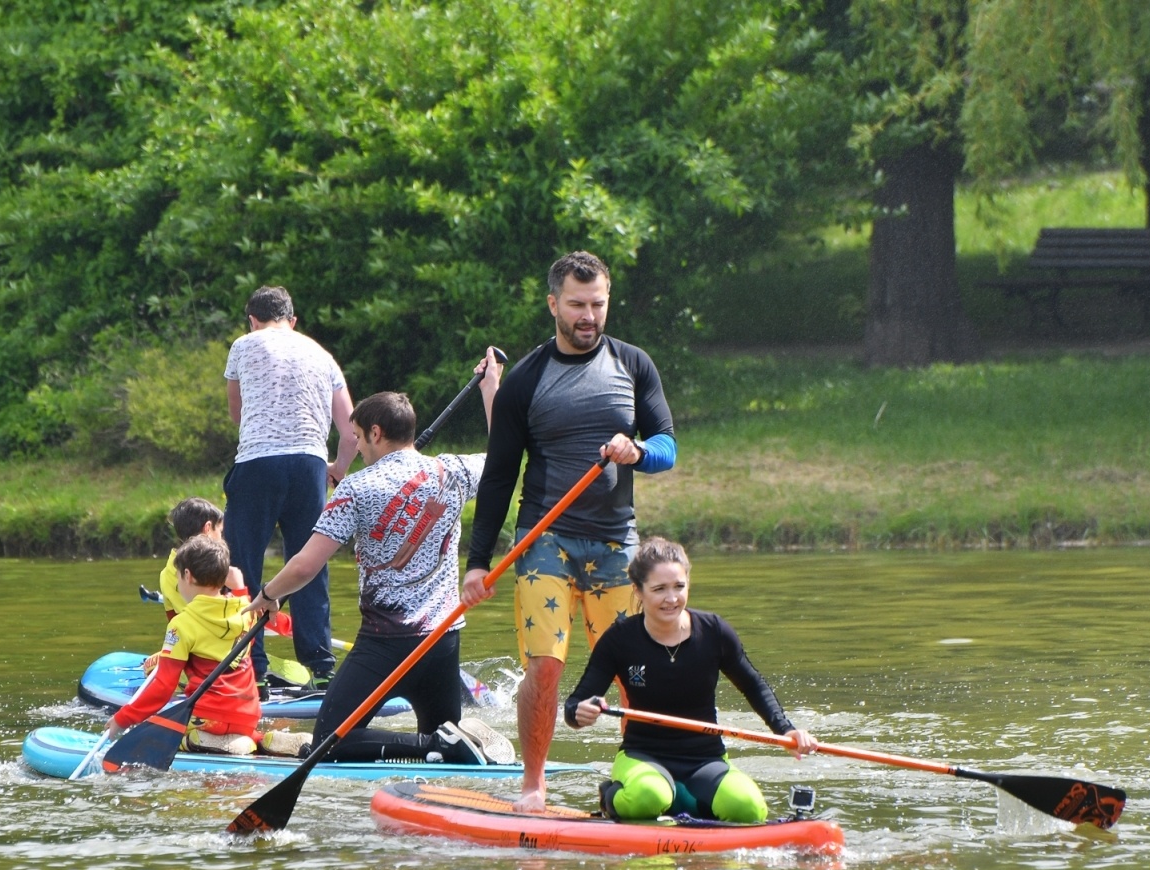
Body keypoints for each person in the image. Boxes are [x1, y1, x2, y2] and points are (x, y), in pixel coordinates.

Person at [461, 250, 677, 810]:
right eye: (577, 305)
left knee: (636, 671)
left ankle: (655, 771)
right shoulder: (526, 381)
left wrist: (638, 451)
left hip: (615, 544)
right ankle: (533, 786)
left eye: (598, 305)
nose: (589, 316)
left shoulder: (634, 365)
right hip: (543, 541)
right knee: (547, 665)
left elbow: (668, 448)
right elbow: (500, 477)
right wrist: (478, 561)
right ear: (553, 303)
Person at [246, 361, 515, 765]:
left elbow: (305, 565)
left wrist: (267, 595)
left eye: (356, 438)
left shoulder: (356, 487)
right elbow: (504, 451)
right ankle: (445, 745)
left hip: (384, 645)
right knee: (445, 755)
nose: (356, 449)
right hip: (443, 642)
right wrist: (491, 386)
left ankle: (436, 746)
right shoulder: (453, 471)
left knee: (328, 743)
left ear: (376, 433)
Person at [564, 538, 818, 823]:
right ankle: (612, 796)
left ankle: (687, 803)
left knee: (749, 809)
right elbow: (575, 705)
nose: (671, 599)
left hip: (705, 759)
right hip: (643, 756)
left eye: (679, 587)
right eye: (659, 589)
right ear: (638, 591)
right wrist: (581, 712)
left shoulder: (715, 631)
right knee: (648, 797)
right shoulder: (620, 639)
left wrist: (787, 731)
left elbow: (753, 685)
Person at [223, 284, 358, 695]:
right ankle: (320, 669)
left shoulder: (244, 345)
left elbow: (237, 413)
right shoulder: (322, 355)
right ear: (293, 320)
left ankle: (254, 671)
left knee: (244, 568)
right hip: (309, 467)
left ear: (252, 320)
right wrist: (337, 469)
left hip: (258, 463)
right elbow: (351, 430)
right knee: (310, 563)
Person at [106, 535, 265, 756]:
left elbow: (163, 687)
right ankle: (261, 740)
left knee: (154, 733)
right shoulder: (248, 610)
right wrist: (240, 589)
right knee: (247, 733)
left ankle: (204, 740)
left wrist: (123, 718)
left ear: (187, 576)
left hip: (206, 719)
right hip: (248, 716)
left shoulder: (181, 624)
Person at [157, 497, 245, 618]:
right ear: (207, 528)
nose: (221, 538)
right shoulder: (210, 570)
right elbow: (237, 622)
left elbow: (172, 624)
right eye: (220, 531)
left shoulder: (164, 576)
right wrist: (240, 590)